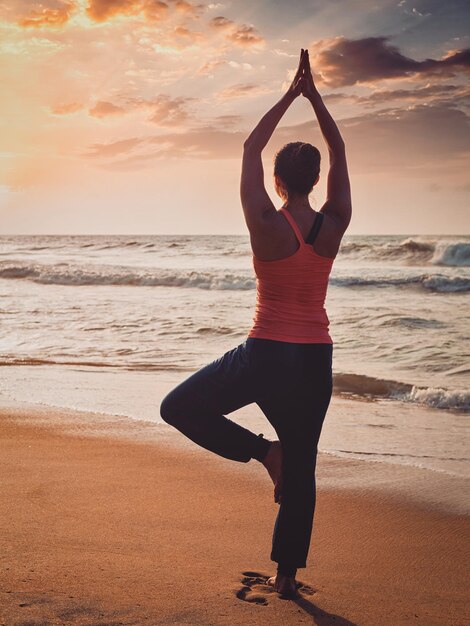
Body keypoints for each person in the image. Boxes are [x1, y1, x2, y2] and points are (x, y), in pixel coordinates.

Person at [160, 49, 351, 598]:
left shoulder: (265, 220)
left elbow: (249, 145)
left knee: (178, 407)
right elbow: (338, 148)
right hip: (314, 358)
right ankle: (288, 576)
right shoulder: (335, 222)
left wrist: (291, 94)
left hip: (264, 353)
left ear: (275, 177)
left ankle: (266, 453)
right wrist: (316, 98)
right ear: (318, 179)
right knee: (305, 461)